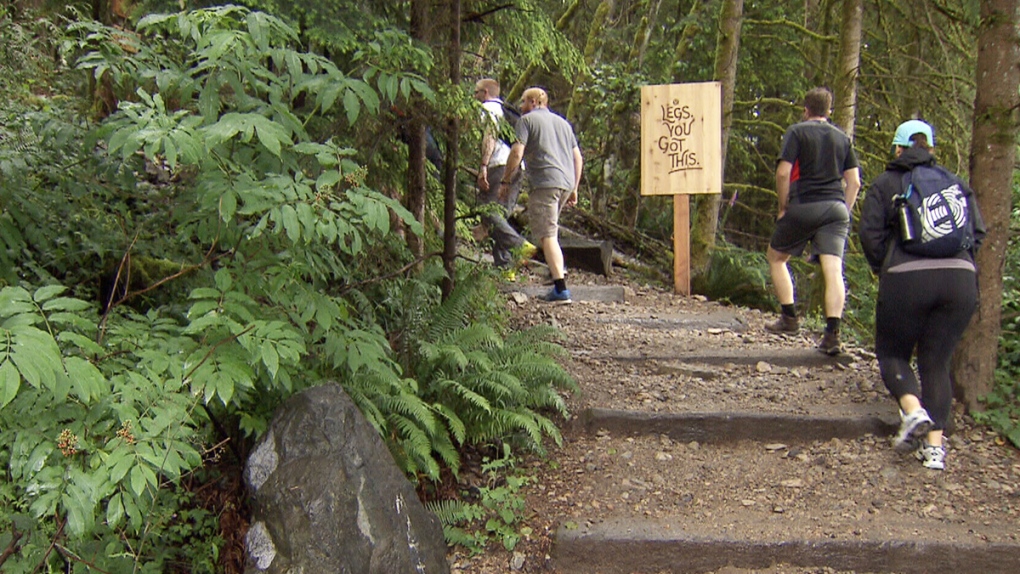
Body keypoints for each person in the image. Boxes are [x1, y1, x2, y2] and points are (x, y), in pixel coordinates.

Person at [858, 119, 984, 470]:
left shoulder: (886, 183)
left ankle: (912, 412)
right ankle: (933, 450)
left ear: (897, 148)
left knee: (893, 354)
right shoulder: (956, 184)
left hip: (906, 277)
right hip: (960, 280)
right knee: (936, 361)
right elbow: (977, 232)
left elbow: (870, 236)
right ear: (931, 148)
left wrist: (888, 265)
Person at [765, 87, 861, 355]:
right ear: (829, 111)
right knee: (833, 270)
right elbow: (854, 181)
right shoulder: (842, 138)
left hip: (804, 203)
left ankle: (789, 318)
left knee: (776, 257)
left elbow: (783, 173)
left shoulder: (797, 132)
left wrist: (783, 206)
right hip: (835, 208)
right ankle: (832, 335)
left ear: (806, 110)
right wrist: (844, 210)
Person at [499, 87, 583, 303]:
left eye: (524, 101)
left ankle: (561, 288)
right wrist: (574, 187)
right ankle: (557, 275)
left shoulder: (526, 122)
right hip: (565, 182)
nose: (520, 106)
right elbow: (577, 157)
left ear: (535, 101)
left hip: (546, 182)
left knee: (548, 235)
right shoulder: (563, 123)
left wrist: (506, 179)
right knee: (548, 231)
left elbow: (517, 151)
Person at [473, 78, 532, 268]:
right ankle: (506, 267)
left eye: (476, 92)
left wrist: (483, 165)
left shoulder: (489, 109)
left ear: (485, 93)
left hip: (498, 164)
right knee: (502, 215)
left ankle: (520, 245)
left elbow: (489, 137)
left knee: (487, 210)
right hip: (517, 167)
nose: (474, 96)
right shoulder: (508, 111)